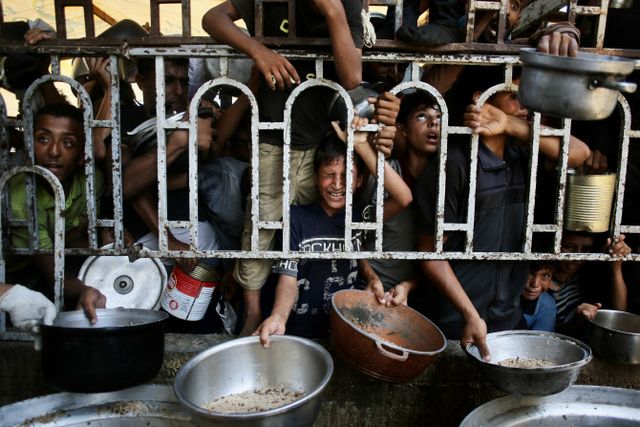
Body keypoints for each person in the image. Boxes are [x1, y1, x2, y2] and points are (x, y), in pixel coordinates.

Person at [202, 0, 364, 335]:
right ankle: (252, 315)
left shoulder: (344, 3)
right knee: (259, 230)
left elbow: (352, 76)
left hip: (319, 143)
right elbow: (212, 18)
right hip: (273, 137)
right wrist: (258, 51)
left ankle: (304, 311)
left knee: (312, 230)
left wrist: (333, 10)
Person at [414, 78, 590, 360]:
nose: (524, 105)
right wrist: (470, 315)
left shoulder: (522, 155)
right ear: (481, 98)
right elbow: (430, 254)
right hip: (454, 320)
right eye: (513, 95)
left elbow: (580, 154)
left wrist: (511, 124)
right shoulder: (455, 163)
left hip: (506, 316)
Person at [254, 116, 412, 347]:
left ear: (359, 181)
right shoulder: (296, 217)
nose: (338, 184)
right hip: (294, 332)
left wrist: (360, 145)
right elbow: (288, 277)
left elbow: (404, 197)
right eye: (329, 174)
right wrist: (279, 315)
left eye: (347, 176)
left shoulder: (359, 218)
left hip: (340, 332)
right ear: (316, 178)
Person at [5, 104, 106, 323]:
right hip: (14, 280)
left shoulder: (91, 181)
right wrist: (84, 290)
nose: (53, 151)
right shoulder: (21, 198)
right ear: (28, 145)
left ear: (82, 155)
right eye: (43, 139)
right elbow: (54, 277)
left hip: (55, 264)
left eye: (68, 143)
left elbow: (78, 235)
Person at [358, 91, 442, 307]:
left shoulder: (446, 182)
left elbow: (442, 256)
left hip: (420, 294)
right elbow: (355, 234)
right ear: (402, 129)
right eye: (422, 116)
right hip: (370, 289)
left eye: (439, 117)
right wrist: (371, 278)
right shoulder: (385, 172)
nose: (433, 123)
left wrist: (408, 286)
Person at [550, 232, 630, 335]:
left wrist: (616, 265)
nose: (577, 256)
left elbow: (620, 312)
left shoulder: (587, 276)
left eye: (585, 249)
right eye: (568, 247)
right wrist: (575, 321)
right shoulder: (541, 278)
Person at [520, 262, 556, 332]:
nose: (535, 284)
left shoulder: (546, 304)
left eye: (545, 275)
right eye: (529, 273)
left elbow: (540, 338)